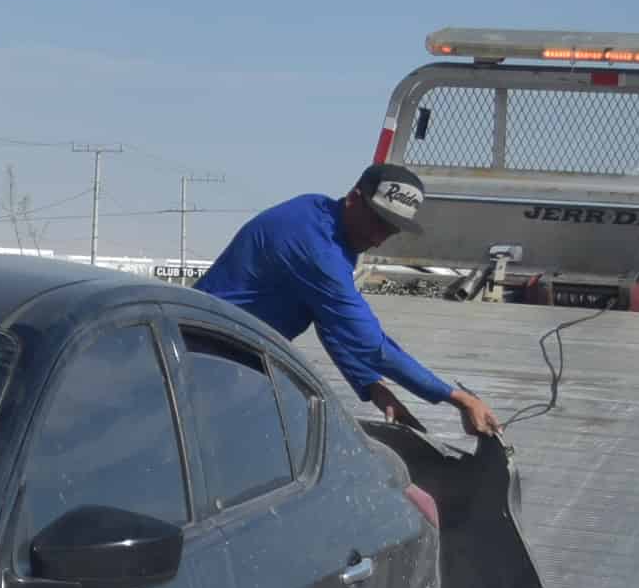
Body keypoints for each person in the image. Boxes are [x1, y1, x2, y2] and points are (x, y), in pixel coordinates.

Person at [197, 162, 502, 439]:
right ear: (355, 198)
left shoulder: (318, 213)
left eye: (391, 230)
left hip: (229, 356)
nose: (379, 238)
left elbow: (329, 320)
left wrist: (372, 386)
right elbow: (370, 345)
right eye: (378, 222)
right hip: (200, 356)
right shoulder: (317, 249)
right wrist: (458, 398)